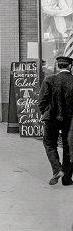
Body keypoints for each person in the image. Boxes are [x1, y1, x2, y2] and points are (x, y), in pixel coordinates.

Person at [37, 54, 73, 185]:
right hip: (70, 119)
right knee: (69, 146)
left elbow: (41, 101)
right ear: (70, 66)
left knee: (49, 143)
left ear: (58, 66)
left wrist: (45, 112)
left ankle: (57, 169)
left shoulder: (49, 79)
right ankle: (67, 179)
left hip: (51, 117)